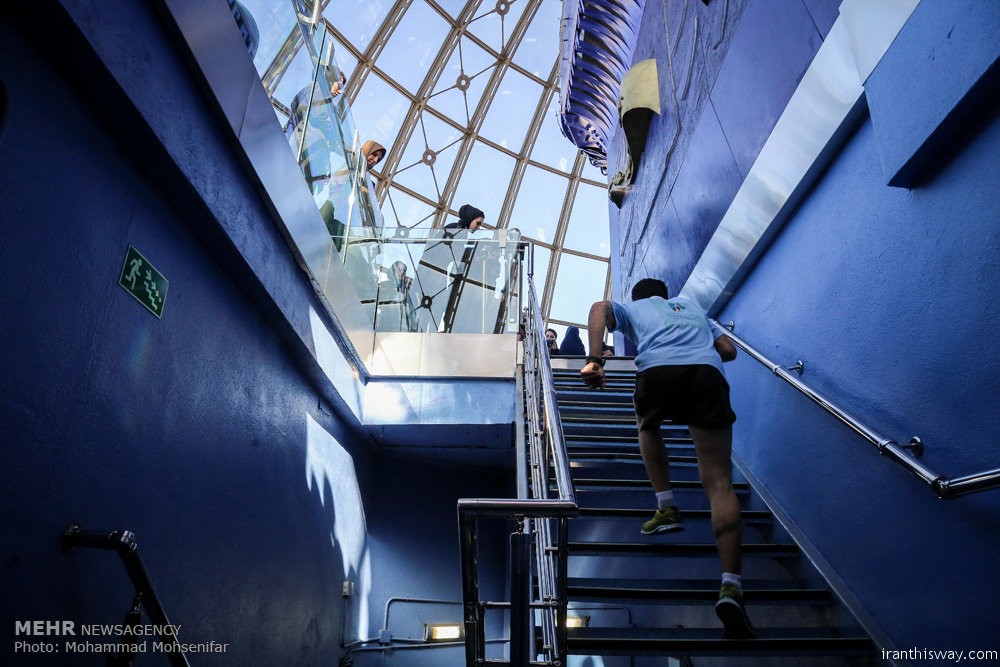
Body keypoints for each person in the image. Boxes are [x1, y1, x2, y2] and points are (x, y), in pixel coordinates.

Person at [580, 278, 754, 639]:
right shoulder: (694, 309)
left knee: (646, 423)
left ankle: (666, 505)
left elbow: (598, 309)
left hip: (658, 371)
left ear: (638, 297)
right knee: (720, 483)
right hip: (707, 375)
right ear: (665, 293)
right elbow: (729, 350)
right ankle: (731, 586)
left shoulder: (635, 308)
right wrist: (695, 350)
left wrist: (596, 359)